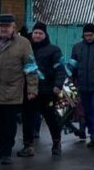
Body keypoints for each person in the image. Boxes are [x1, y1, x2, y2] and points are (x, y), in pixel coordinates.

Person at [0, 14, 38, 165]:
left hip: (12, 91)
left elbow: (31, 67)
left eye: (7, 26)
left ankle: (5, 152)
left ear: (13, 27)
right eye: (1, 26)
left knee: (9, 124)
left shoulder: (23, 43)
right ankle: (3, 143)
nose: (3, 29)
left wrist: (32, 88)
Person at [17, 22, 65, 157]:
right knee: (27, 118)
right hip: (29, 90)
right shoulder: (27, 48)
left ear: (45, 35)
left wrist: (58, 85)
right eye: (35, 33)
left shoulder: (53, 50)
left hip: (47, 90)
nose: (37, 35)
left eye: (40, 33)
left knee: (50, 118)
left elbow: (60, 69)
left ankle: (56, 142)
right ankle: (28, 146)